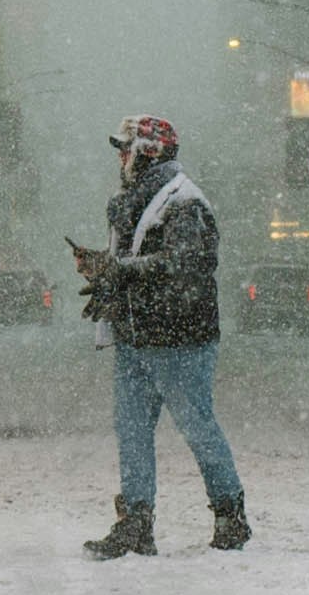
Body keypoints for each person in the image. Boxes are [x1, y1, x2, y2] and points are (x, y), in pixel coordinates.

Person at [73, 114, 246, 558]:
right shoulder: (133, 202)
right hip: (135, 339)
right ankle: (136, 522)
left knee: (198, 428)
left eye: (125, 149)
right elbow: (145, 264)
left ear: (147, 152)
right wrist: (107, 271)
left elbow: (184, 265)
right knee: (131, 432)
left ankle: (230, 516)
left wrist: (120, 271)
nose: (120, 158)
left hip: (180, 342)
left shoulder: (184, 203)